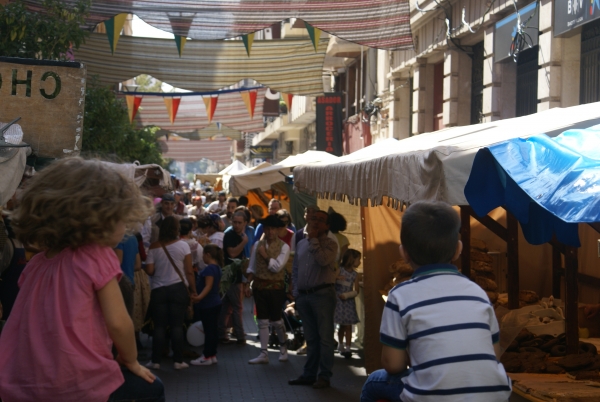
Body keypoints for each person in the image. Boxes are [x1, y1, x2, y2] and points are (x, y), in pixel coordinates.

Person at [0, 158, 164, 402]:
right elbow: (119, 323)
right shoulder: (97, 257)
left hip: (22, 382)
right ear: (100, 218)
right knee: (152, 388)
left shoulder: (37, 264)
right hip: (76, 383)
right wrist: (130, 360)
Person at [360, 201, 512, 402]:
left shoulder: (399, 295)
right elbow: (495, 354)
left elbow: (393, 364)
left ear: (404, 253)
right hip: (494, 395)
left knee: (373, 382)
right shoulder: (478, 292)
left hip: (433, 397)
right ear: (458, 250)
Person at [289, 210, 339, 390]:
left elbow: (324, 260)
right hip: (304, 296)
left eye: (320, 220)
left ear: (327, 225)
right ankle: (309, 374)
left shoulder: (331, 244)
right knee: (311, 338)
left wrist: (314, 240)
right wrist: (296, 291)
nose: (315, 222)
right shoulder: (301, 243)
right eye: (312, 219)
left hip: (323, 295)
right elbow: (295, 269)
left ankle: (324, 376)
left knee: (325, 338)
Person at [144, 216, 196, 370]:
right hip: (178, 289)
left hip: (158, 290)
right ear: (176, 229)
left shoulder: (154, 247)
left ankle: (156, 361)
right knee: (177, 326)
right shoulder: (183, 246)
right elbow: (189, 271)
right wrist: (193, 290)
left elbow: (150, 270)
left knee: (159, 326)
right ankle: (178, 360)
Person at [246, 215, 291, 364]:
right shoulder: (258, 244)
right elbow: (252, 266)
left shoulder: (284, 247)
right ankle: (263, 353)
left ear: (278, 230)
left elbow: (276, 267)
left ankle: (283, 347)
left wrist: (265, 256)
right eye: (268, 228)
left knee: (277, 321)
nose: (270, 231)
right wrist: (248, 283)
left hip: (276, 288)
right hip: (259, 287)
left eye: (273, 228)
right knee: (262, 321)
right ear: (264, 229)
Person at [219, 211, 249, 344]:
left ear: (245, 223)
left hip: (233, 275)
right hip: (231, 276)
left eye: (239, 223)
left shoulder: (238, 235)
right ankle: (240, 335)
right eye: (234, 222)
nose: (236, 225)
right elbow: (231, 253)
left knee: (227, 306)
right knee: (237, 307)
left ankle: (221, 333)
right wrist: (244, 242)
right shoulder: (230, 235)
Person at [190, 244, 223, 366]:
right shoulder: (218, 268)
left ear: (208, 255)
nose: (202, 257)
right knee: (213, 330)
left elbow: (208, 286)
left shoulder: (209, 269)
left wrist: (199, 297)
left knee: (209, 330)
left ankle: (207, 355)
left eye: (203, 254)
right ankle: (212, 354)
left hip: (208, 304)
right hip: (215, 302)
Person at [335, 249, 361, 358]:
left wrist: (347, 295)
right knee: (342, 325)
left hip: (348, 302)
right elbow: (332, 280)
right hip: (338, 301)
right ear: (351, 260)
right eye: (358, 259)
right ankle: (340, 344)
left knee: (348, 326)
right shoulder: (339, 270)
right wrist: (337, 278)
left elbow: (357, 290)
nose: (359, 262)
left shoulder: (355, 274)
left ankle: (348, 348)